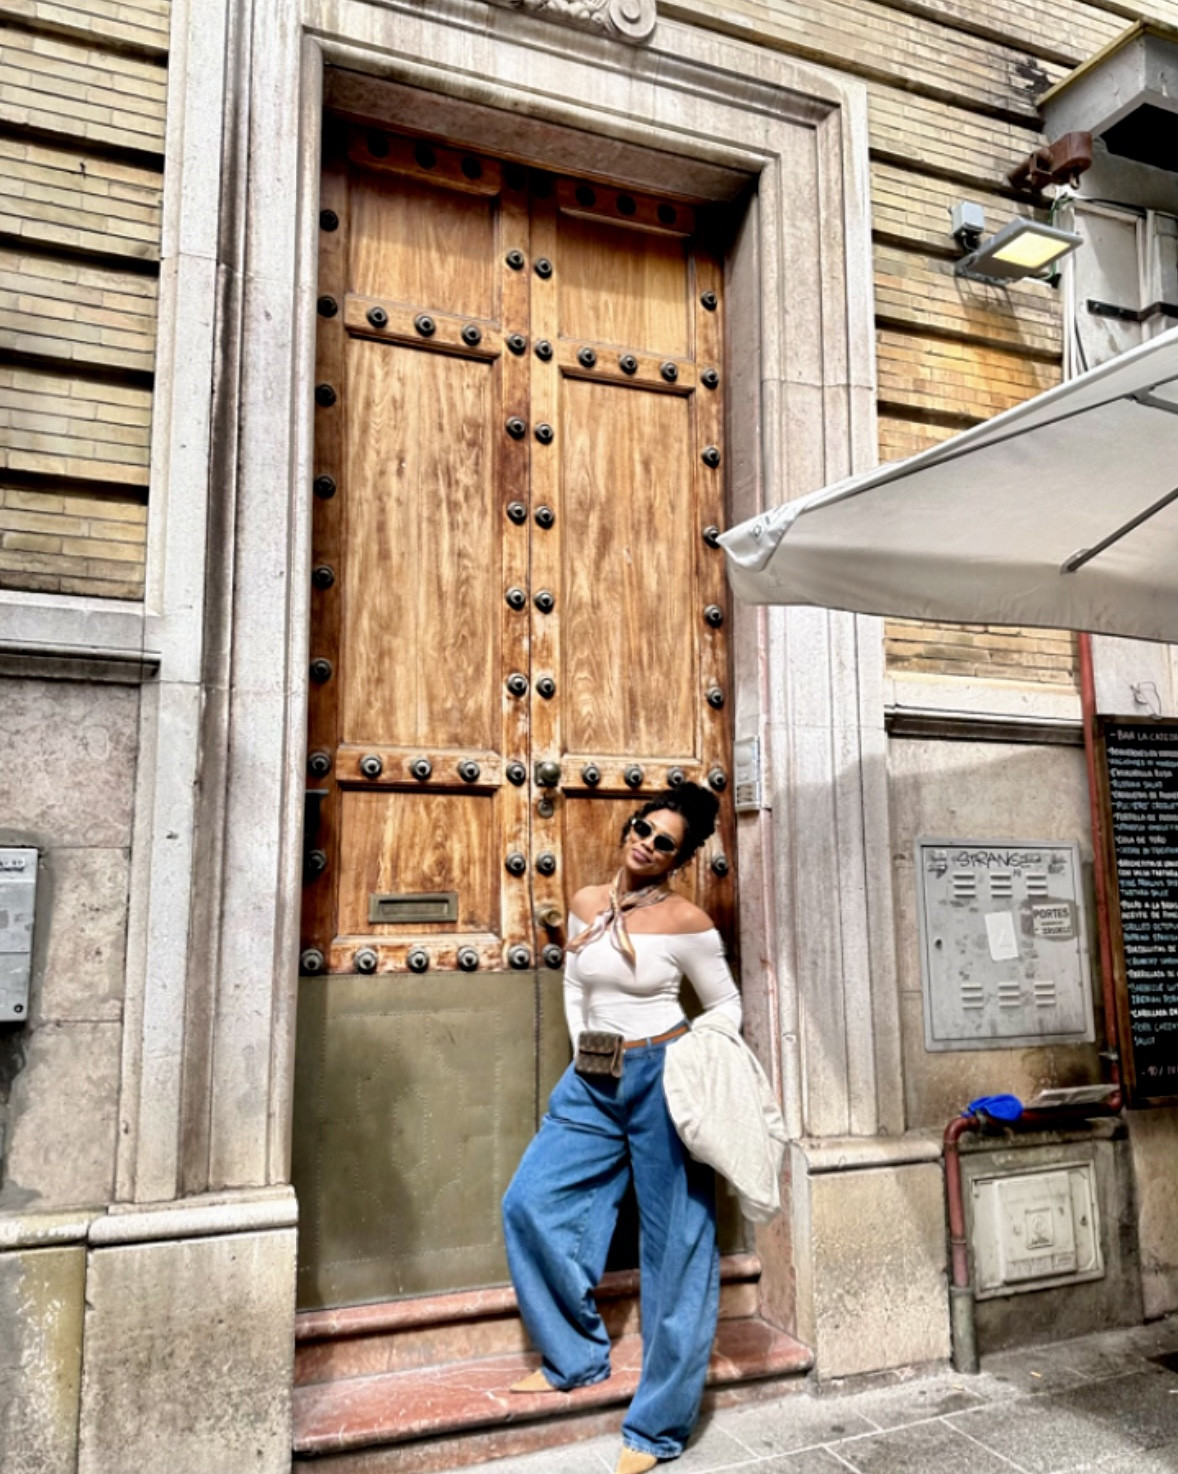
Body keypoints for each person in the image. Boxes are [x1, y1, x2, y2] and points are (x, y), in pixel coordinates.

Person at [501, 782, 741, 1474]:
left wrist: (691, 1060)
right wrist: (586, 1049)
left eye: (664, 841)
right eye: (642, 827)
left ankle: (658, 1427)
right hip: (593, 1077)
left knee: (677, 1248)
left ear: (680, 858)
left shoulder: (686, 921)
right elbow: (578, 986)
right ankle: (575, 1357)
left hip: (661, 1074)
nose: (646, 842)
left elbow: (725, 1005)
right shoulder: (586, 903)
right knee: (530, 1202)